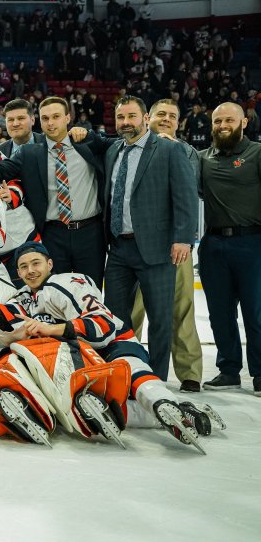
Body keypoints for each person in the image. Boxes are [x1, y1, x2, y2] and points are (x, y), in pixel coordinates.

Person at [0, 242, 221, 452]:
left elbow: (103, 324)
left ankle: (161, 400)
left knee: (131, 370)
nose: (30, 271)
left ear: (50, 264)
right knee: (92, 409)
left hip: (112, 344)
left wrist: (55, 329)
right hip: (84, 357)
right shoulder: (23, 297)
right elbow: (10, 323)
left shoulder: (69, 281)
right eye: (24, 267)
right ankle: (179, 412)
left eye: (35, 263)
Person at [101, 96, 197, 382]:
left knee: (160, 319)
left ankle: (156, 380)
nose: (126, 122)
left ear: (145, 118)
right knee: (115, 317)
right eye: (121, 117)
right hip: (118, 247)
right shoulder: (113, 150)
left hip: (157, 248)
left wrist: (183, 238)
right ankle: (123, 373)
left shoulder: (169, 149)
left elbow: (186, 196)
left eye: (131, 116)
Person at [0, 97, 114, 286]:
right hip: (53, 234)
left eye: (56, 116)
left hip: (90, 232)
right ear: (39, 121)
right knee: (54, 290)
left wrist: (88, 134)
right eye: (45, 118)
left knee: (92, 289)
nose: (50, 122)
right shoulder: (30, 152)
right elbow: (1, 168)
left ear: (68, 118)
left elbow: (119, 144)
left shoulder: (86, 143)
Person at [131, 99, 203, 392]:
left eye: (173, 116)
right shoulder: (131, 147)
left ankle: (190, 372)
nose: (166, 119)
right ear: (148, 117)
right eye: (161, 114)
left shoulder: (188, 152)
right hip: (138, 243)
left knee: (181, 307)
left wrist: (172, 151)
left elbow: (190, 190)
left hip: (175, 245)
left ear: (179, 122)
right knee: (133, 310)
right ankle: (126, 363)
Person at [198, 102, 261, 395]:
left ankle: (260, 373)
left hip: (252, 244)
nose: (223, 126)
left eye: (229, 120)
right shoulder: (202, 158)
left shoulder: (257, 153)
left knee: (255, 313)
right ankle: (228, 370)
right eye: (218, 121)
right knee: (219, 313)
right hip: (213, 245)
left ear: (244, 123)